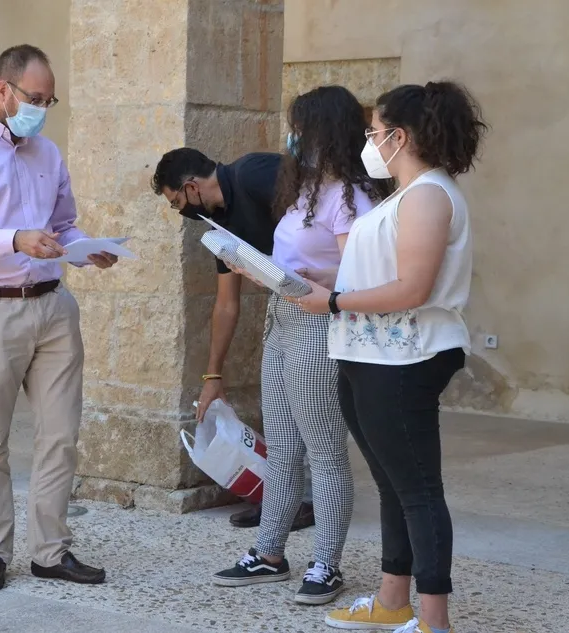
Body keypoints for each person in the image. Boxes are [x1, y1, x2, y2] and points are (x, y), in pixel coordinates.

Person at [291, 81, 487, 633]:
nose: (369, 141)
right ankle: (392, 599)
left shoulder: (428, 195)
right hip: (369, 354)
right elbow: (378, 272)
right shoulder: (404, 195)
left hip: (404, 360)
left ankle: (433, 620)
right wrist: (317, 284)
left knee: (418, 490)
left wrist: (331, 300)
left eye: (374, 132)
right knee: (393, 484)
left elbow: (412, 289)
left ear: (399, 137)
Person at [0, 44, 118, 592]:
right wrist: (13, 239)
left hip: (53, 306)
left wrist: (87, 248)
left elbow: (63, 224)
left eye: (48, 100)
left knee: (60, 435)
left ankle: (50, 551)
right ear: (3, 91)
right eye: (35, 98)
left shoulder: (48, 153)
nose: (41, 109)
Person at [211, 86, 391, 605]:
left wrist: (311, 282)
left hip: (318, 326)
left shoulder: (351, 196)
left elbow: (358, 273)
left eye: (300, 128)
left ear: (324, 132)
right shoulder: (304, 188)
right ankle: (269, 552)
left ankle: (326, 564)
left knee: (324, 451)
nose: (292, 138)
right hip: (283, 318)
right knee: (284, 445)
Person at [151, 148, 315, 532]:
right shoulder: (220, 227)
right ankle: (282, 503)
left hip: (322, 303)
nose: (180, 211)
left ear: (191, 187)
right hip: (286, 307)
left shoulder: (254, 173)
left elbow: (318, 219)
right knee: (279, 418)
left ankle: (316, 511)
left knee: (315, 423)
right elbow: (226, 304)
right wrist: (213, 377)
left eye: (176, 202)